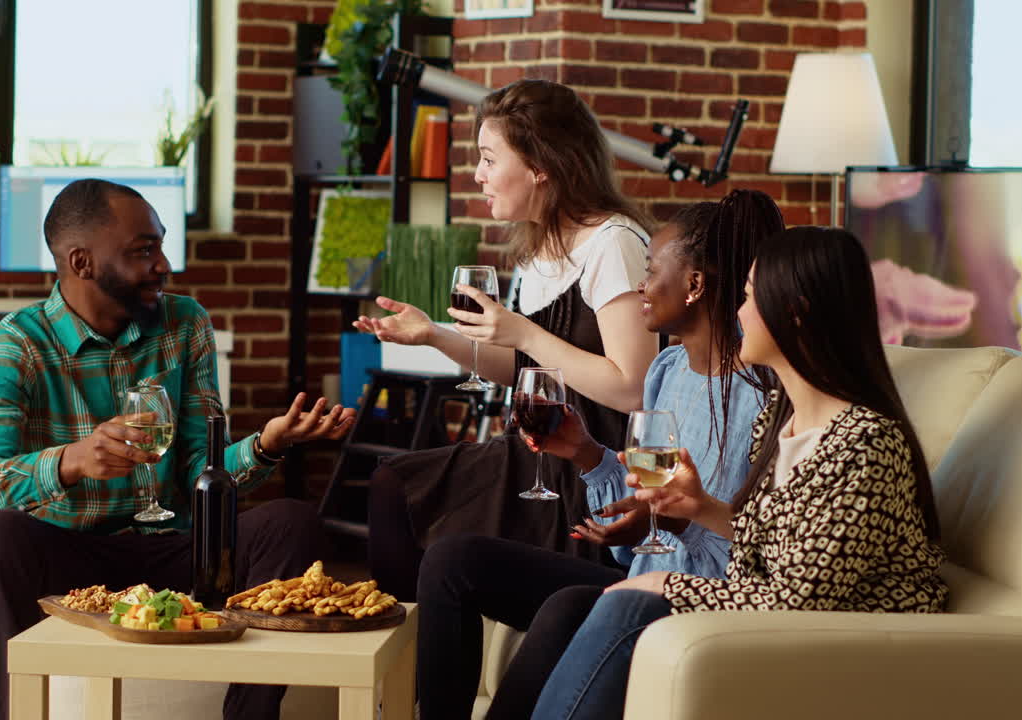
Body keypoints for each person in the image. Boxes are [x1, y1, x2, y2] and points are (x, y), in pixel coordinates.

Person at [0, 179, 356, 720]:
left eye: (161, 245)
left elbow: (200, 470)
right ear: (82, 262)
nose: (164, 264)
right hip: (76, 559)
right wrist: (72, 461)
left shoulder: (184, 323)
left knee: (292, 522)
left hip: (177, 550)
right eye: (143, 250)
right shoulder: (16, 345)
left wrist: (265, 447)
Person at [530, 226, 950, 720]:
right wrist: (700, 508)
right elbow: (773, 547)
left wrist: (664, 585)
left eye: (749, 297)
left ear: (794, 311)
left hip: (846, 652)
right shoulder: (783, 420)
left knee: (627, 607)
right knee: (583, 606)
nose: (737, 312)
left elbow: (795, 602)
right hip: (779, 634)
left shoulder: (865, 444)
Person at [414, 189, 783, 720]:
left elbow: (754, 546)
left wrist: (674, 524)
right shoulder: (667, 373)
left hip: (701, 598)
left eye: (653, 270)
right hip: (642, 579)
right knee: (452, 560)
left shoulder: (760, 398)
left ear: (695, 284)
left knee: (567, 605)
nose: (641, 285)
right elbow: (647, 503)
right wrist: (587, 454)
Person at [354, 79, 657, 600]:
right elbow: (520, 364)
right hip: (542, 451)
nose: (478, 175)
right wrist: (434, 335)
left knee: (403, 495)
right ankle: (402, 659)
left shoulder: (615, 243)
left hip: (596, 461)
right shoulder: (540, 249)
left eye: (490, 159)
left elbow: (633, 388)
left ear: (541, 166)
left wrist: (522, 331)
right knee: (392, 486)